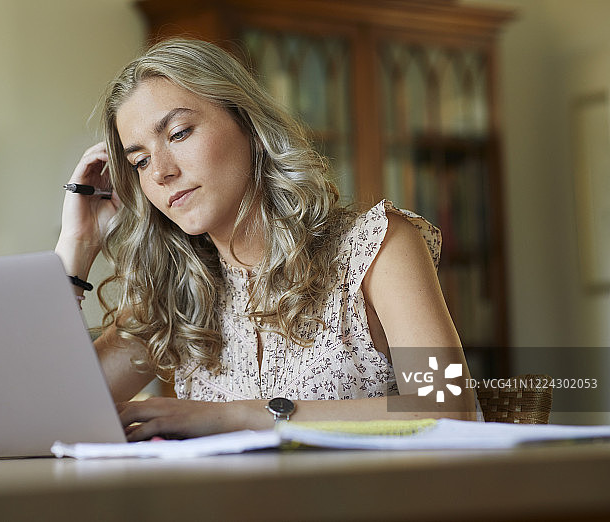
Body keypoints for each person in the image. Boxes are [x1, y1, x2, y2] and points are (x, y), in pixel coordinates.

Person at [56, 38, 477, 442]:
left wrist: (234, 416)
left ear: (248, 124)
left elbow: (448, 407)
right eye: (140, 160)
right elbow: (55, 416)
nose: (160, 171)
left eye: (180, 133)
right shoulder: (175, 294)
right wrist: (75, 248)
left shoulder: (377, 246)